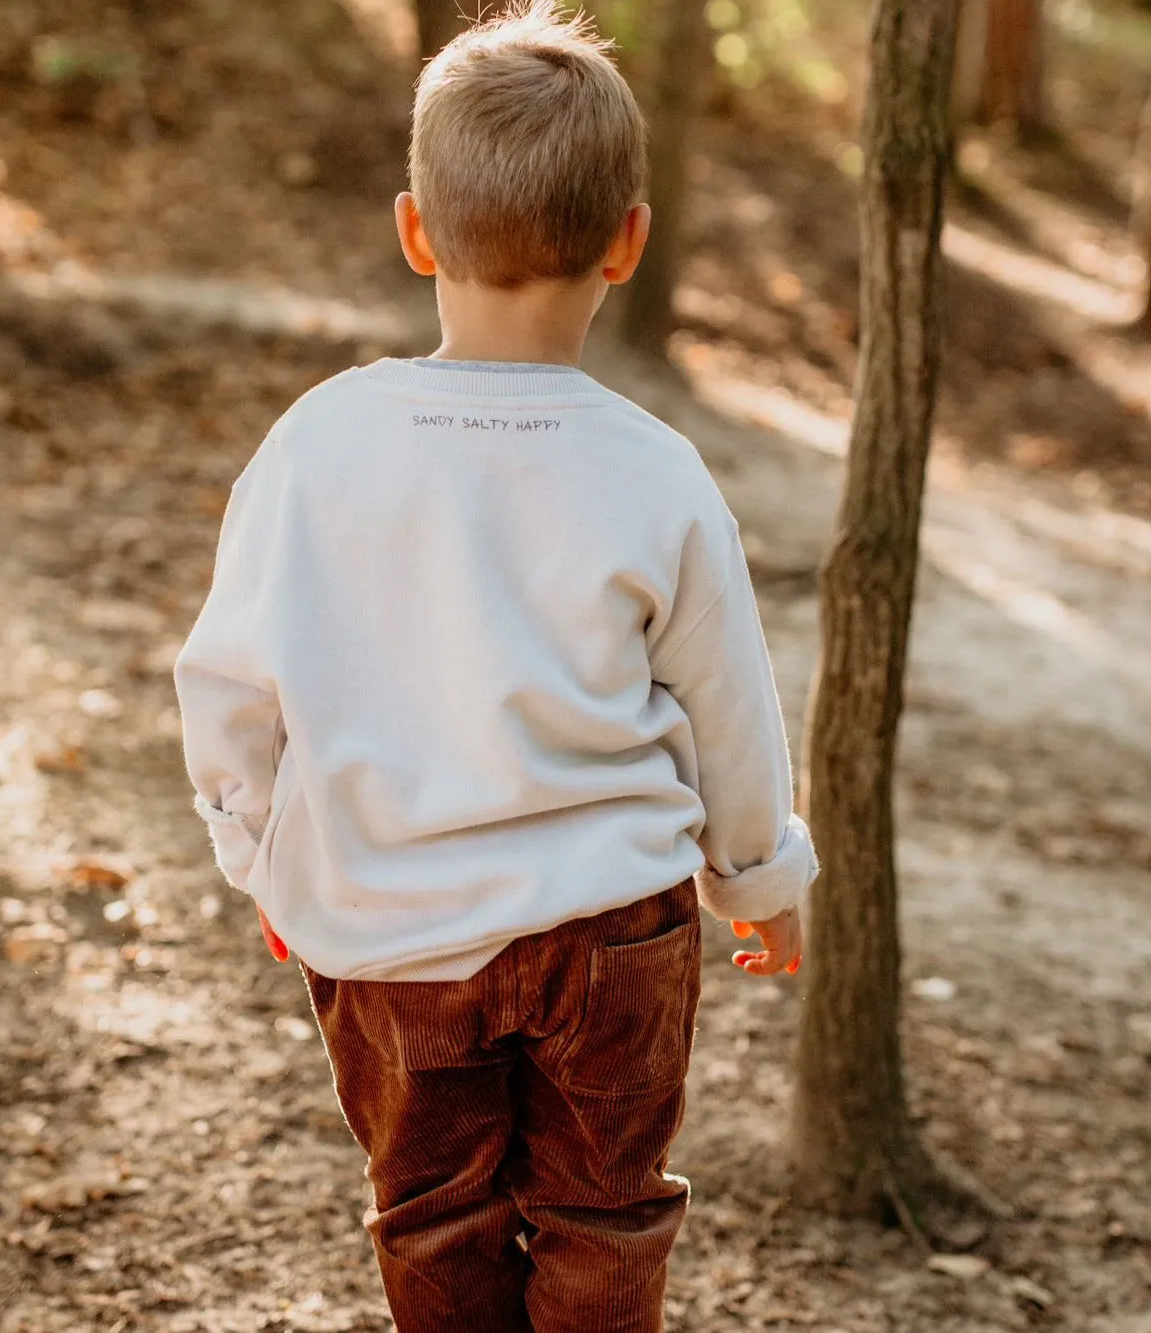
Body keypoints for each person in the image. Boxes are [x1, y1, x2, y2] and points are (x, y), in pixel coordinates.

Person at [174, 4, 817, 1329]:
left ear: (415, 229)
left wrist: (263, 858)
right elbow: (729, 706)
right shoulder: (657, 470)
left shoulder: (319, 444)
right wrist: (761, 881)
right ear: (629, 244)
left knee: (432, 1215)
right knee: (605, 1212)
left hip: (392, 931)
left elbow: (229, 685)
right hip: (613, 931)